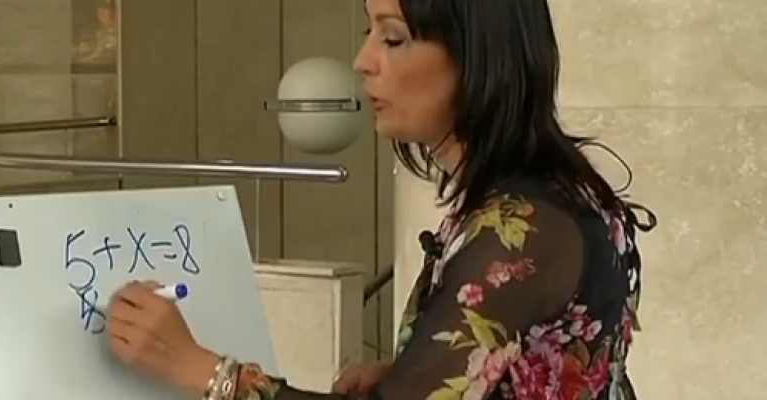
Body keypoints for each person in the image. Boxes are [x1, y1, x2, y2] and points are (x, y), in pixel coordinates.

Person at [104, 0, 657, 398]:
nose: (363, 60)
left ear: (477, 54)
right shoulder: (554, 190)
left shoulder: (519, 232)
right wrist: (418, 370)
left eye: (393, 39)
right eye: (369, 31)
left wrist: (206, 372)